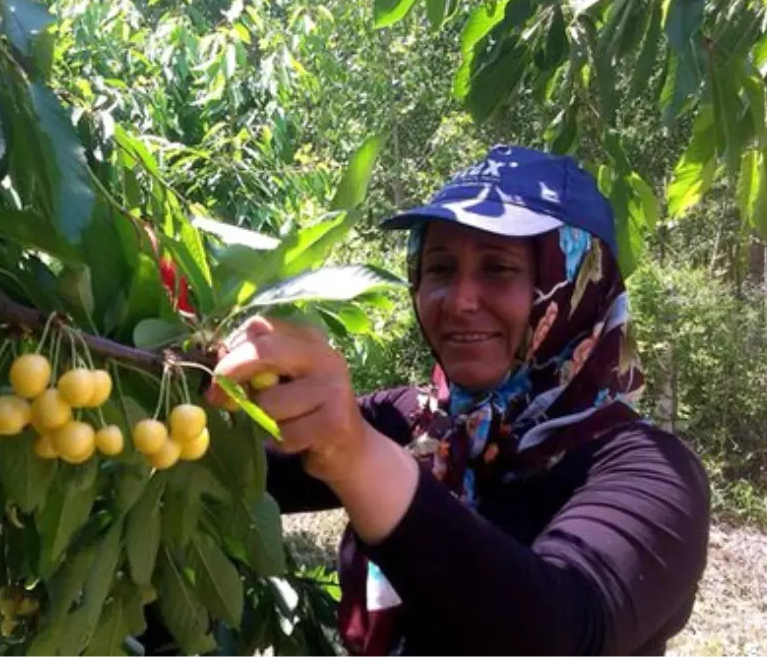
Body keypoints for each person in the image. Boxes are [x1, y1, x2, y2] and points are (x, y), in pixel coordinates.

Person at [208, 145, 712, 656]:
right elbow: (241, 467)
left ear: (577, 287)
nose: (458, 300)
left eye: (498, 268)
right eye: (440, 268)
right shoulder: (419, 422)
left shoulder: (654, 472)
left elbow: (559, 630)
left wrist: (357, 456)